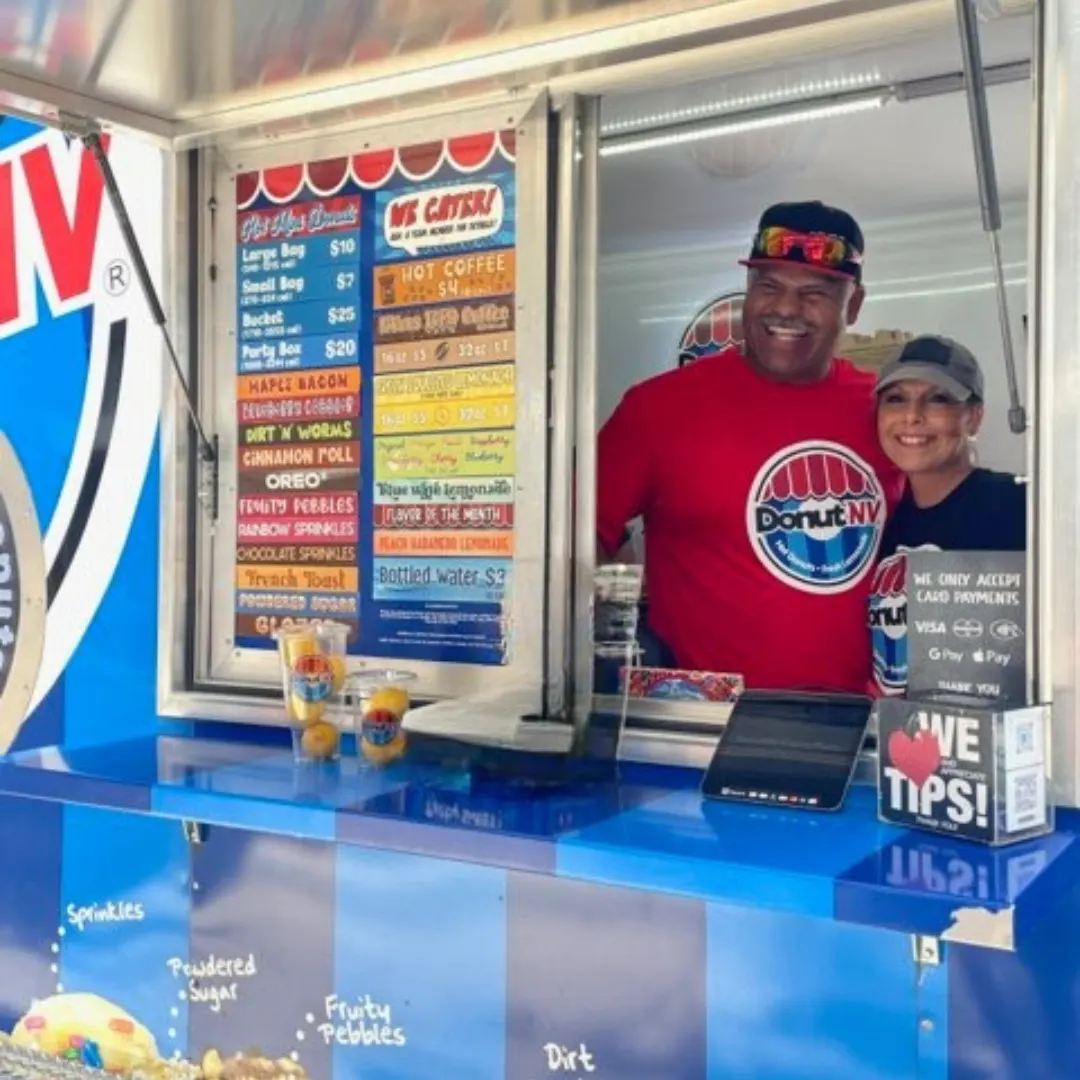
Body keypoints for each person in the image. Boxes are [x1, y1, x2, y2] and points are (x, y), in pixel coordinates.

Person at [597, 201, 902, 693]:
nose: (786, 309)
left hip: (861, 716)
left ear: (853, 305)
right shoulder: (657, 408)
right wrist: (608, 646)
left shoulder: (886, 410)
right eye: (768, 286)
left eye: (815, 293)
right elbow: (573, 535)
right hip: (705, 716)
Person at [868, 334, 1026, 694]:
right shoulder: (886, 520)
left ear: (974, 417)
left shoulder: (1016, 505)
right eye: (896, 399)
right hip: (901, 725)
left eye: (938, 398)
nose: (912, 416)